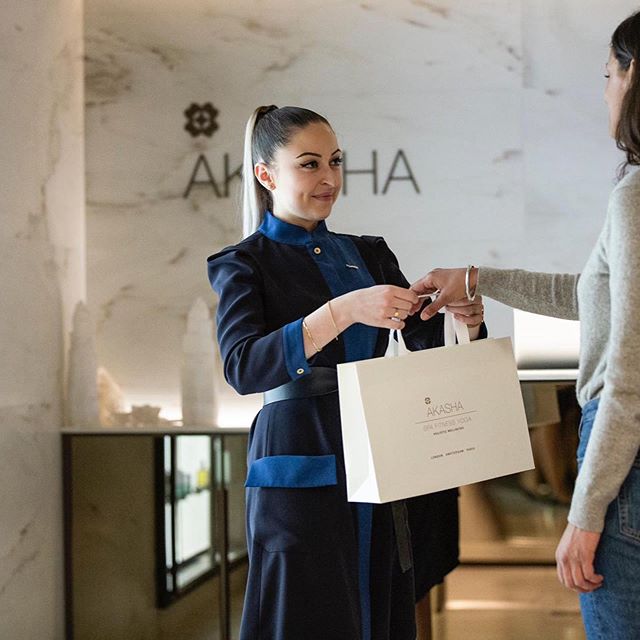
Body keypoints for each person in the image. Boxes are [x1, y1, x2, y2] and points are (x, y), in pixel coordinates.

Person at [206, 105, 485, 639]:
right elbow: (243, 366)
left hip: (378, 452)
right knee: (306, 612)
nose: (329, 177)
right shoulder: (244, 263)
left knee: (379, 604)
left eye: (335, 161)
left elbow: (426, 344)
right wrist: (341, 312)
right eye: (309, 164)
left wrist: (464, 322)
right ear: (266, 175)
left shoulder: (369, 255)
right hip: (298, 452)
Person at [411, 12, 640, 639]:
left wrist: (585, 513)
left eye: (607, 75)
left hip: (626, 468)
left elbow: (628, 378)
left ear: (633, 76)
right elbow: (594, 295)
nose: (604, 92)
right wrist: (478, 279)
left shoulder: (634, 196)